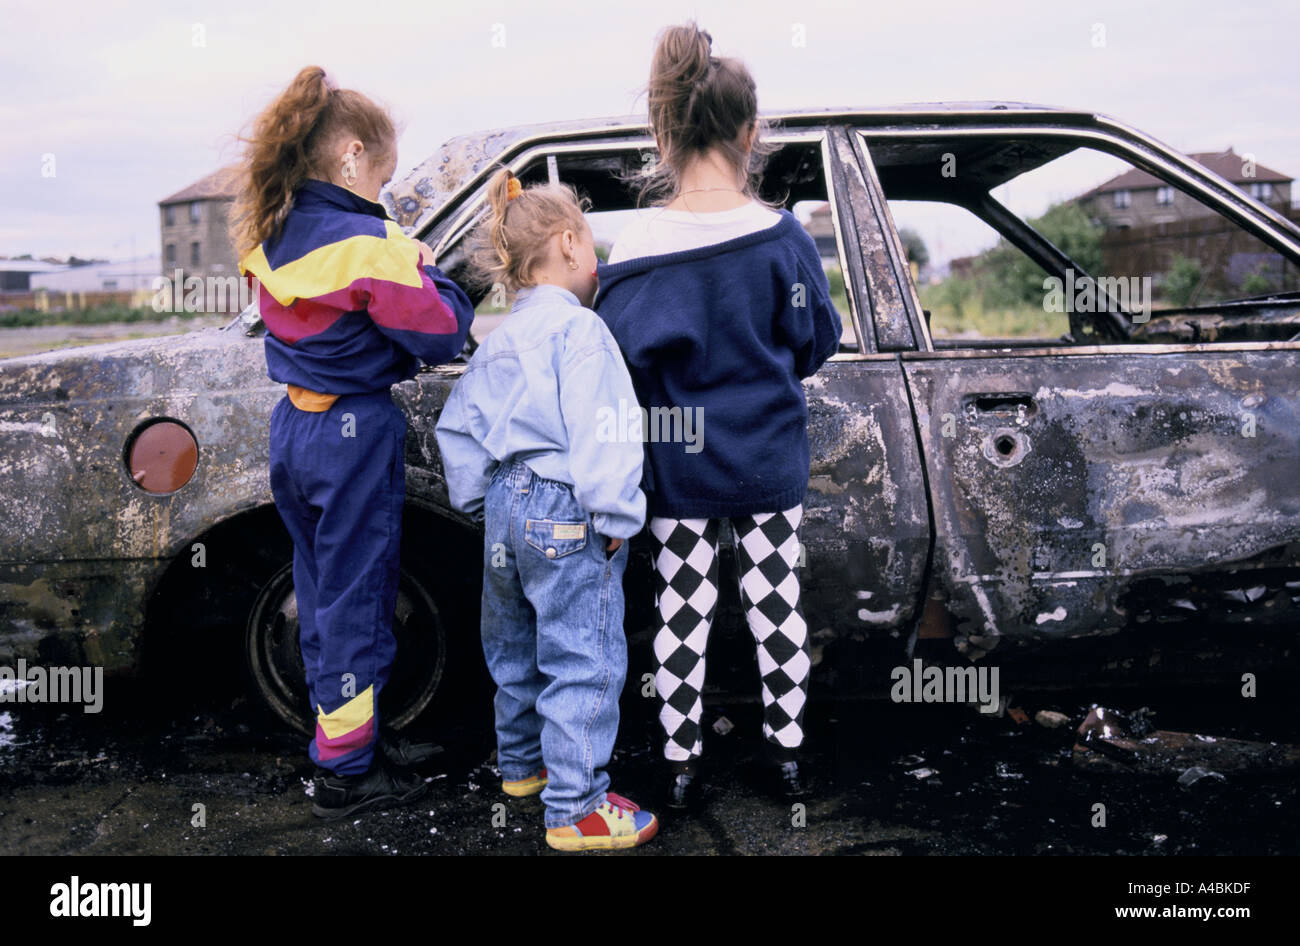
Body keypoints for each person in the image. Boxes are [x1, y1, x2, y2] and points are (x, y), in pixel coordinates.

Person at [595, 22, 842, 808]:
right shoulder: (783, 239)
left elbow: (619, 367)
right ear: (751, 132)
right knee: (777, 603)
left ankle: (678, 766)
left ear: (665, 130)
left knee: (683, 606)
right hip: (769, 458)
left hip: (680, 464)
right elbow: (816, 343)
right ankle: (791, 759)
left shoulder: (634, 245)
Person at [232, 65, 474, 820]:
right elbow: (441, 333)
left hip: (294, 431)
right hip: (351, 435)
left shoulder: (270, 236)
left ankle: (348, 740)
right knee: (361, 599)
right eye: (384, 176)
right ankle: (345, 775)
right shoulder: (373, 244)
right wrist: (436, 276)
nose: (384, 193)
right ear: (351, 157)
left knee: (322, 593)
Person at [435, 167, 658, 851]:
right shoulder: (581, 333)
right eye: (591, 246)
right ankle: (575, 808)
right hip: (566, 505)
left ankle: (523, 768)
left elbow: (459, 431)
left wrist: (484, 505)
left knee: (513, 647)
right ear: (567, 242)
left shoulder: (497, 340)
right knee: (581, 655)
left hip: (505, 502)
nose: (597, 261)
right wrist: (617, 516)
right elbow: (604, 430)